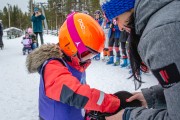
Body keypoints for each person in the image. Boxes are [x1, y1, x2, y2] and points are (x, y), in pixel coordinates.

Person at [26, 12, 121, 120]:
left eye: (93, 55)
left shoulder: (76, 64)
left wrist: (90, 111)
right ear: (70, 45)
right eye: (86, 53)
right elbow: (76, 93)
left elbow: (84, 96)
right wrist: (112, 103)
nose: (89, 59)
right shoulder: (52, 67)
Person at [100, 0, 180, 120]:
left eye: (116, 19)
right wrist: (152, 96)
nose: (120, 27)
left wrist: (128, 116)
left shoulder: (160, 35)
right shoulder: (170, 11)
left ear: (125, 7)